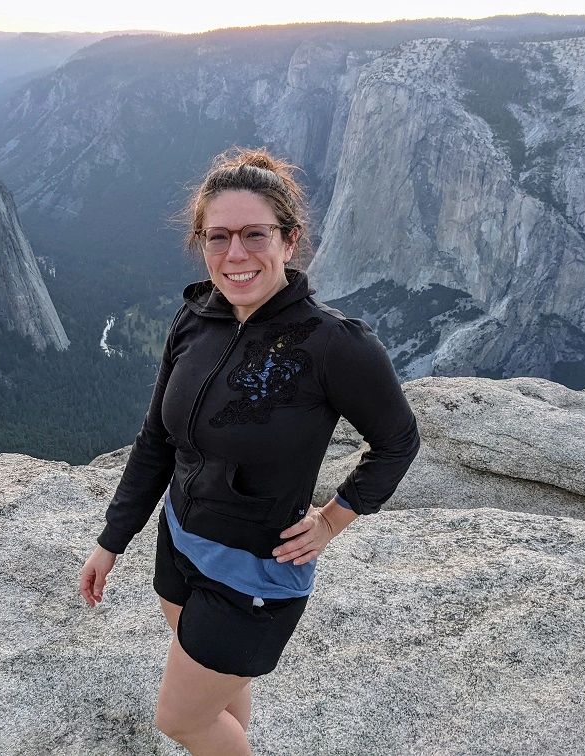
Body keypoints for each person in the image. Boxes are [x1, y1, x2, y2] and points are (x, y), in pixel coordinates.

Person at [79, 148, 420, 755]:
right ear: (201, 244)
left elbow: (398, 442)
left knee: (181, 720)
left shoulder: (333, 344)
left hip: (257, 572)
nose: (236, 255)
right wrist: (112, 540)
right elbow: (157, 438)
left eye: (254, 234)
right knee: (214, 700)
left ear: (289, 240)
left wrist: (333, 521)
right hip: (180, 543)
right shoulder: (195, 318)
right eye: (218, 238)